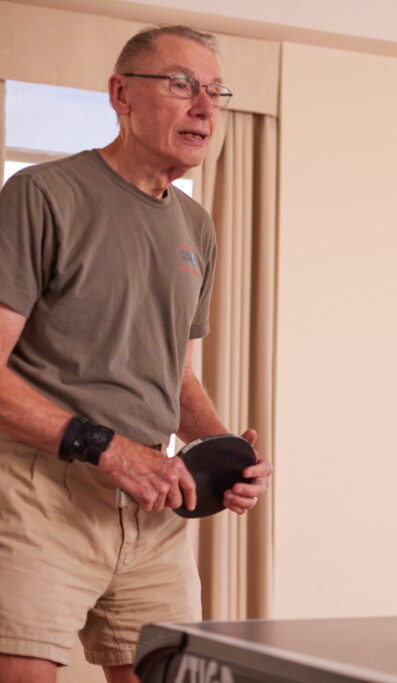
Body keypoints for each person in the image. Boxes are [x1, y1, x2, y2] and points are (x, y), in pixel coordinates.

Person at [0, 26, 273, 682]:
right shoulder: (41, 196)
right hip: (41, 491)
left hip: (153, 506)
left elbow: (174, 375)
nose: (205, 107)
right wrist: (111, 448)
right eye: (182, 85)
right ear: (121, 94)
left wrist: (225, 450)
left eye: (215, 91)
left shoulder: (195, 225)